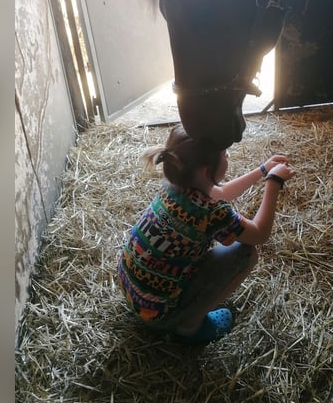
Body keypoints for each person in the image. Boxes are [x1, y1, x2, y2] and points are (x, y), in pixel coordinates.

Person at [116, 124, 295, 344]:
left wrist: (263, 170)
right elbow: (259, 234)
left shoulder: (174, 186)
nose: (227, 156)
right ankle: (188, 326)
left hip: (132, 291)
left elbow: (221, 193)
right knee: (246, 254)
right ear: (204, 170)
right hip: (159, 314)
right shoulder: (211, 212)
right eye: (224, 154)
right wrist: (273, 183)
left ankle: (179, 312)